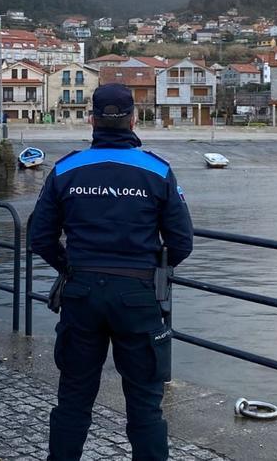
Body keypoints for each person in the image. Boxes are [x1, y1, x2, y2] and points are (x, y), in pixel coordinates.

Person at [28, 83, 194, 461]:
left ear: (92, 120)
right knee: (145, 405)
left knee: (73, 397)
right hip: (137, 295)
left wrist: (70, 267)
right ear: (134, 119)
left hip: (81, 292)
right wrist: (150, 271)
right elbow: (181, 244)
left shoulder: (65, 169)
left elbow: (40, 238)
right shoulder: (157, 170)